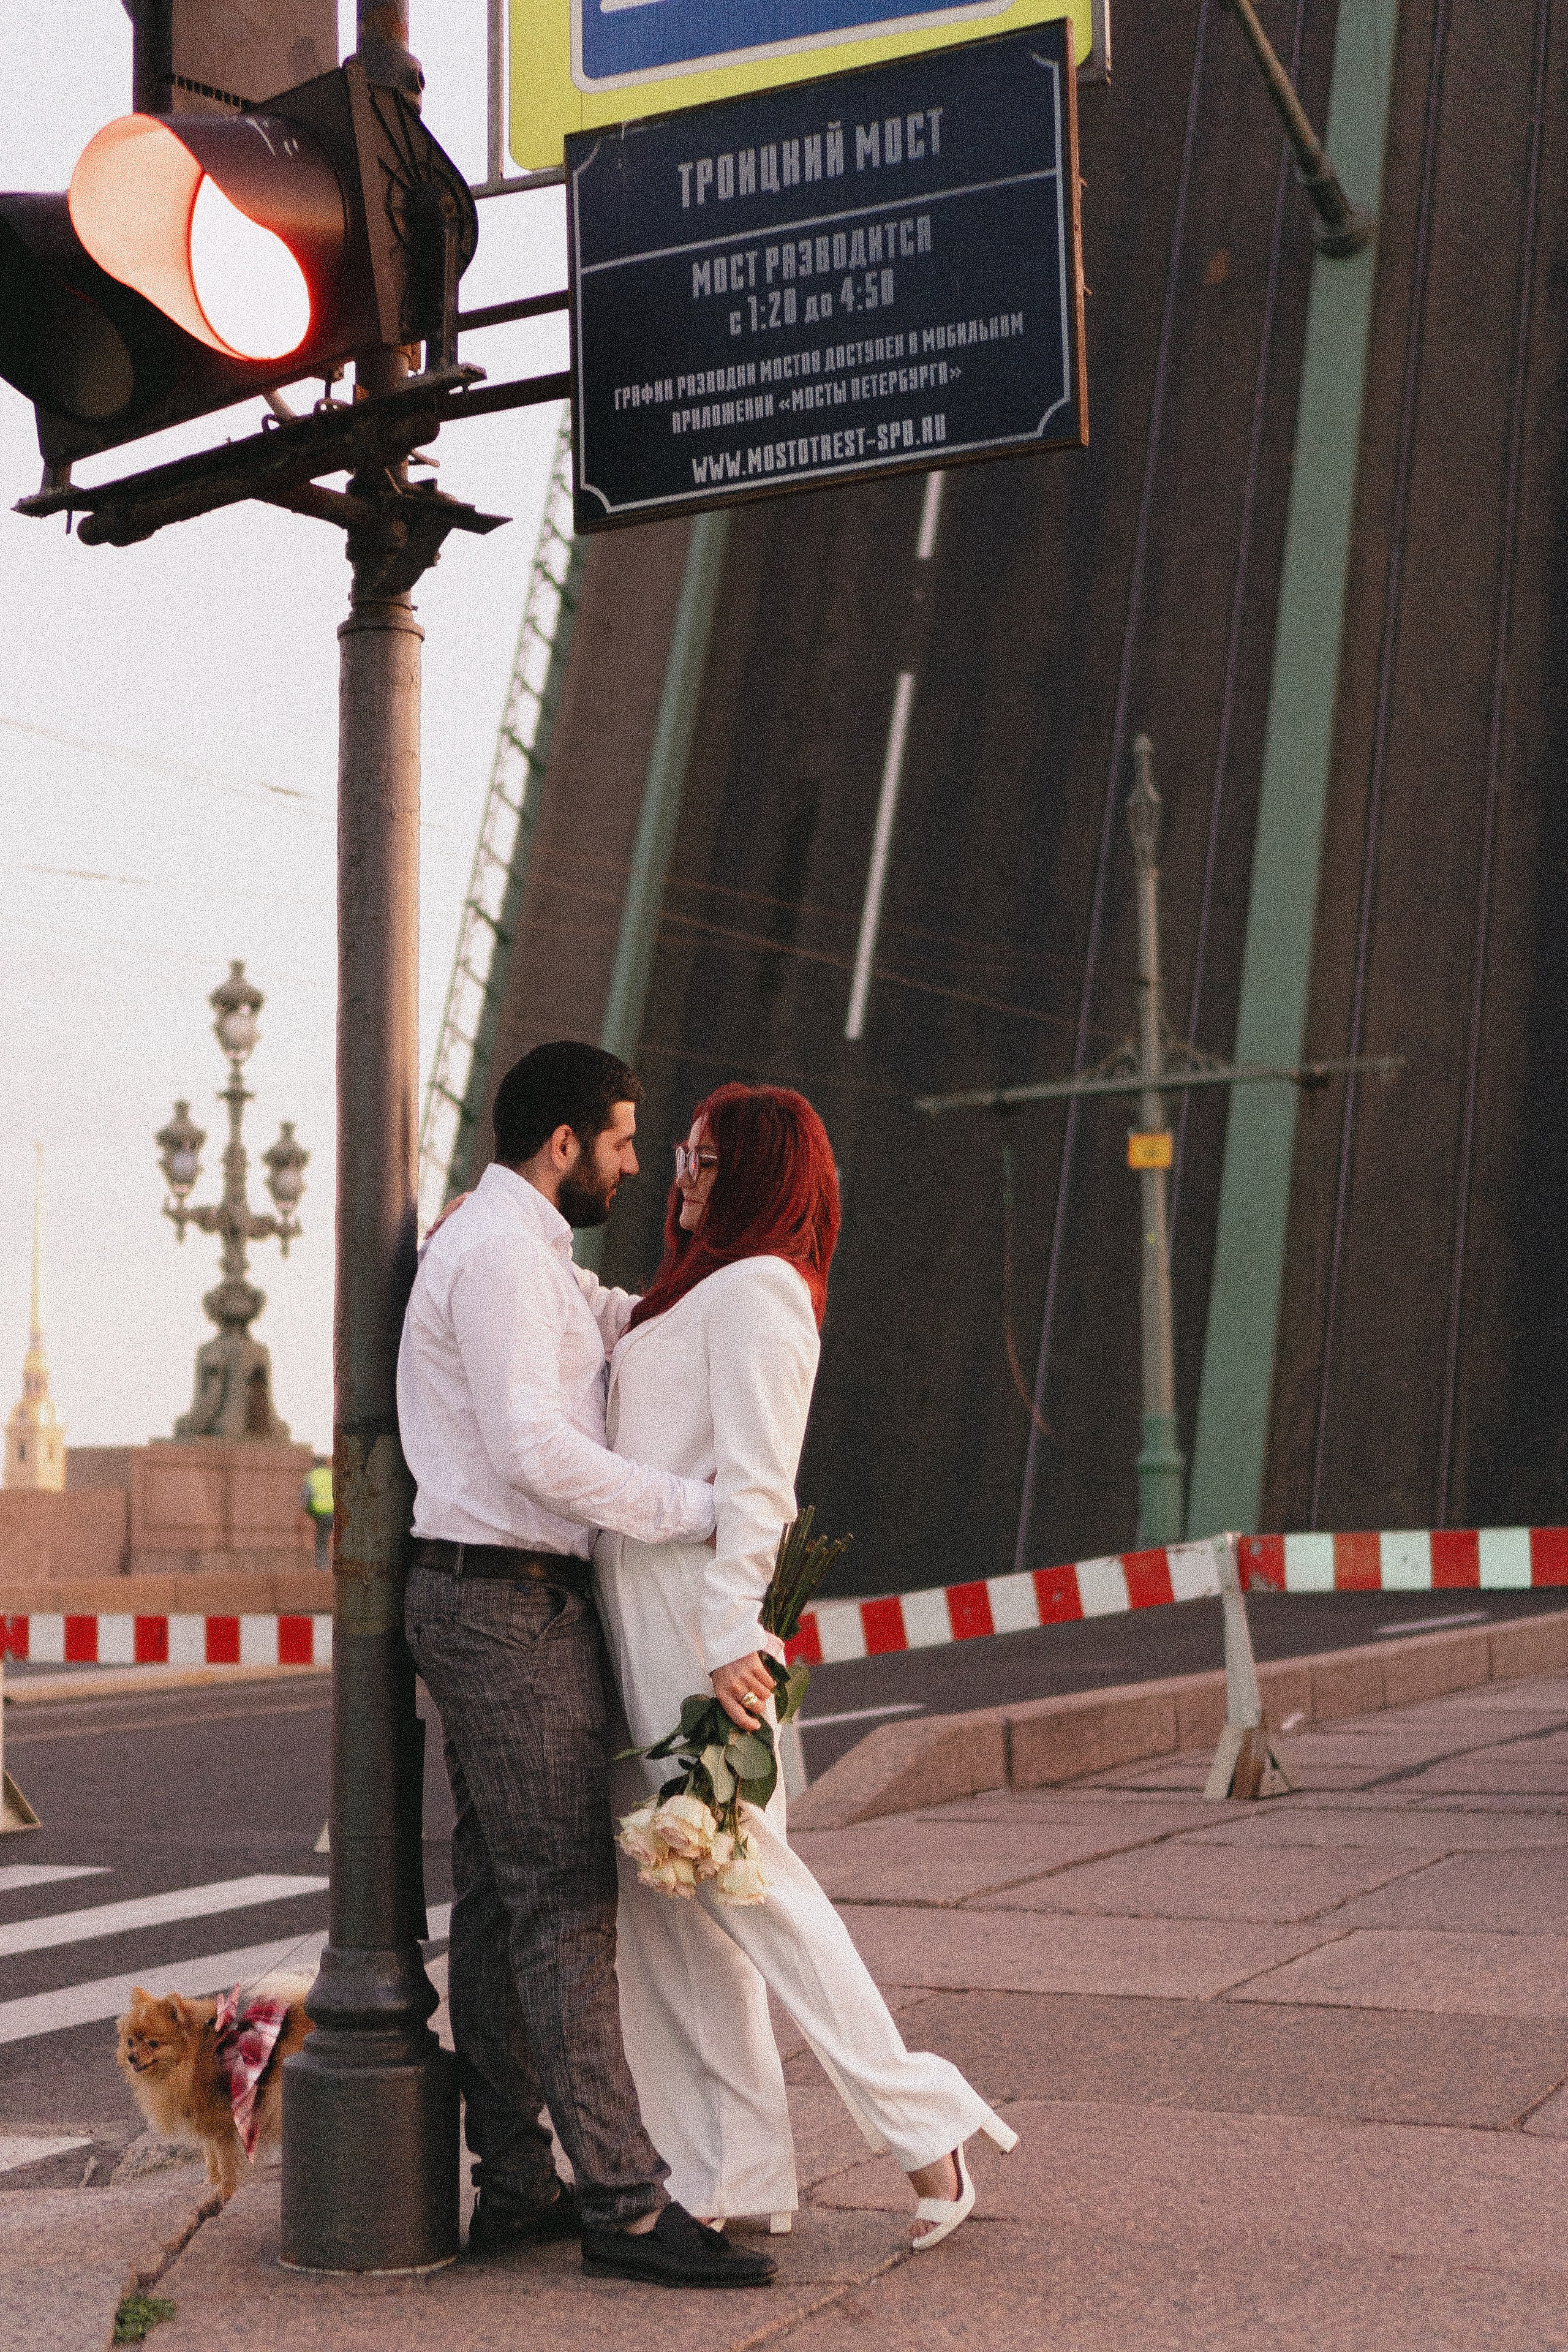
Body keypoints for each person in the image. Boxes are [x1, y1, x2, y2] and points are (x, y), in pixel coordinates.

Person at [595, 1082, 1017, 2248]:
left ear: (759, 1173)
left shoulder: (762, 1290)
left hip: (698, 1618)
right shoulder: (692, 1292)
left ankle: (925, 2124)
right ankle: (731, 2170)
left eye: (704, 1159)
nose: (682, 1175)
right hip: (643, 1608)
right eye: (682, 1154)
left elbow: (761, 1481)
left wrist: (733, 1631)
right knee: (673, 1901)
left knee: (750, 1881)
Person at [398, 1041, 776, 2290]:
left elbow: (617, 1326)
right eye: (619, 1143)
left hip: (492, 1598)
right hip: (505, 1603)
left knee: (503, 1901)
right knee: (564, 1902)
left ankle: (517, 2184)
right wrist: (699, 1508)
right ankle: (625, 2204)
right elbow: (530, 1447)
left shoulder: (528, 1254)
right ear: (562, 1144)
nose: (631, 1165)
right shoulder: (504, 1255)